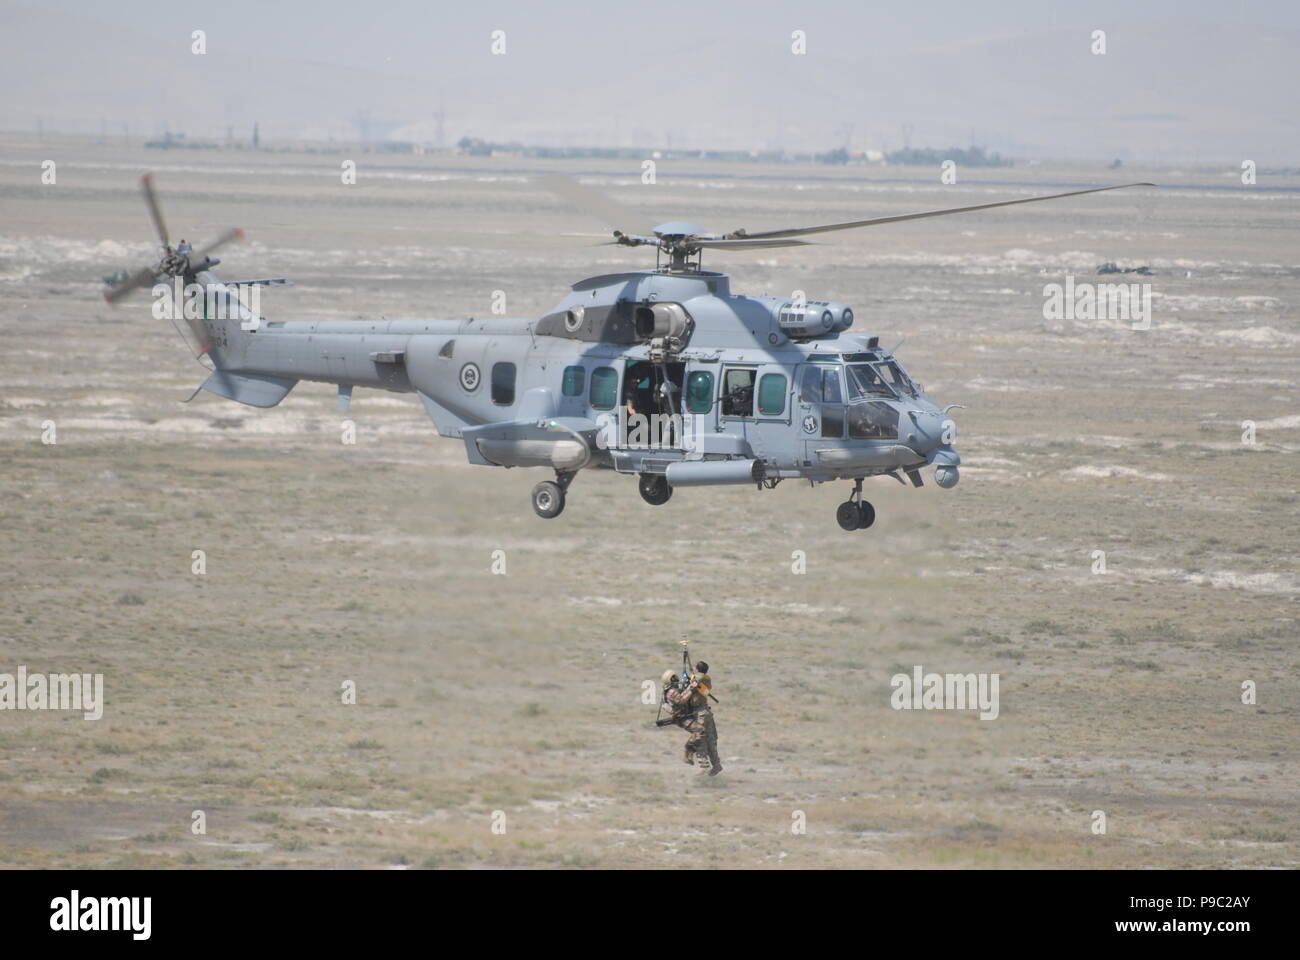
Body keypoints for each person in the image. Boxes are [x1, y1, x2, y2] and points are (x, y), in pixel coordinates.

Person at [667, 660, 721, 776]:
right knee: (710, 740)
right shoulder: (703, 682)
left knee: (700, 738)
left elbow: (684, 697)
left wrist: (691, 681)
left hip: (699, 713)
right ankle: (715, 766)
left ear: (697, 669)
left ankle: (704, 765)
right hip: (706, 712)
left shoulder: (700, 679)